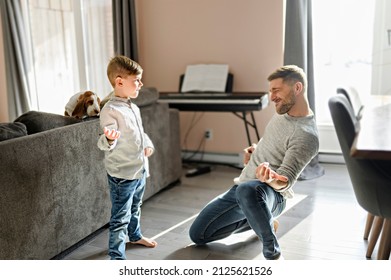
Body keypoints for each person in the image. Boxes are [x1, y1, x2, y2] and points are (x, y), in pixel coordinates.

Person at [189, 65, 319, 260]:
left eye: (276, 90)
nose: (272, 96)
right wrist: (255, 152)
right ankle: (262, 220)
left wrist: (271, 178)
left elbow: (285, 181)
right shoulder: (283, 112)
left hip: (270, 195)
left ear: (297, 88)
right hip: (243, 186)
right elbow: (274, 145)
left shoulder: (306, 136)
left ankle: (272, 250)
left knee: (248, 190)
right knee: (198, 235)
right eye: (270, 90)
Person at [97, 55, 157, 260]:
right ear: (119, 82)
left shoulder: (134, 107)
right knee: (120, 217)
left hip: (139, 170)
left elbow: (140, 133)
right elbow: (104, 143)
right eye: (136, 80)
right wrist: (109, 139)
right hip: (123, 175)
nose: (141, 84)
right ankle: (116, 256)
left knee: (136, 207)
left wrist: (147, 144)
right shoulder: (110, 110)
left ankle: (135, 235)